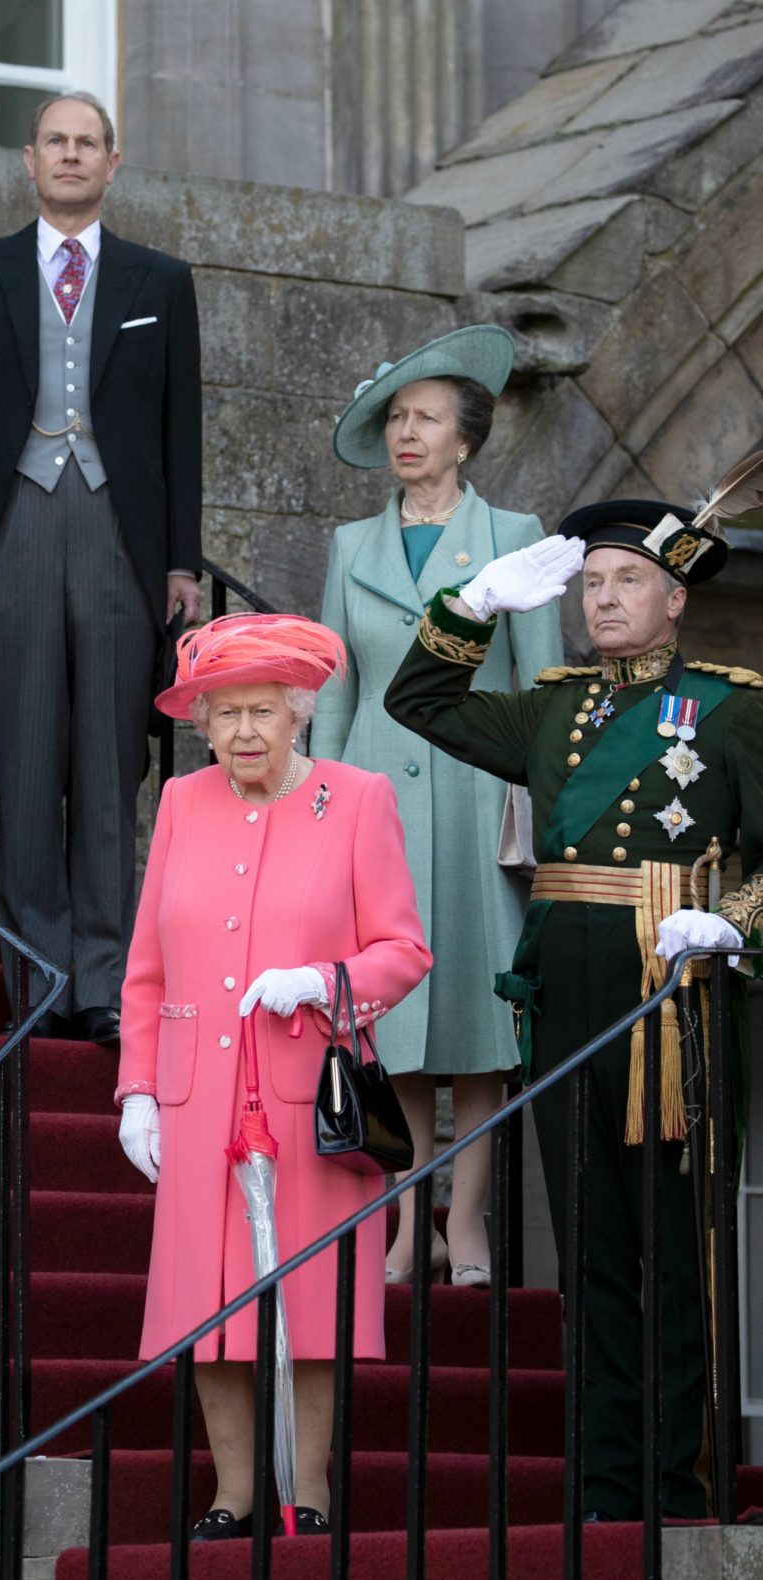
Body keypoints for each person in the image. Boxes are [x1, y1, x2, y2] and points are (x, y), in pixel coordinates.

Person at [384, 499, 762, 1520]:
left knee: (676, 1244)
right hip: (563, 989)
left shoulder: (733, 710)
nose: (603, 599)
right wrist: (470, 605)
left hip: (675, 987)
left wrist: (736, 922)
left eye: (627, 581)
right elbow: (417, 699)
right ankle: (605, 1482)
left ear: (676, 600)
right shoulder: (551, 709)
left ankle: (681, 1479)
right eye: (590, 584)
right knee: (591, 1238)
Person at [116, 612, 432, 1537]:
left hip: (307, 1095)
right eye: (224, 715)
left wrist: (322, 983)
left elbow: (405, 951)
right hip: (196, 1094)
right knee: (206, 1306)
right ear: (202, 725)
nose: (243, 732)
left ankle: (312, 1491)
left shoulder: (357, 797)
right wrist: (138, 1087)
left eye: (261, 711)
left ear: (299, 714)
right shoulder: (182, 802)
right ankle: (234, 1493)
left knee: (312, 1300)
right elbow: (146, 965)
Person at [0, 90, 203, 1045]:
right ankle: (39, 979)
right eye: (57, 142)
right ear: (28, 161)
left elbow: (181, 433)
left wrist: (180, 562)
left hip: (121, 535)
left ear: (112, 165)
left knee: (112, 766)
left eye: (89, 144)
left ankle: (105, 982)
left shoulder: (160, 281)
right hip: (18, 528)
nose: (72, 156)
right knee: (28, 762)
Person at [309, 325, 563, 1287]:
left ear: (466, 440)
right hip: (374, 797)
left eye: (425, 420)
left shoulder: (514, 539)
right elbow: (334, 685)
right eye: (395, 419)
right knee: (398, 1022)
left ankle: (472, 1222)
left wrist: (548, 810)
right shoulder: (349, 545)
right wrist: (319, 803)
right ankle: (408, 1221)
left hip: (476, 799)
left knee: (481, 1022)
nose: (405, 434)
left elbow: (543, 684)